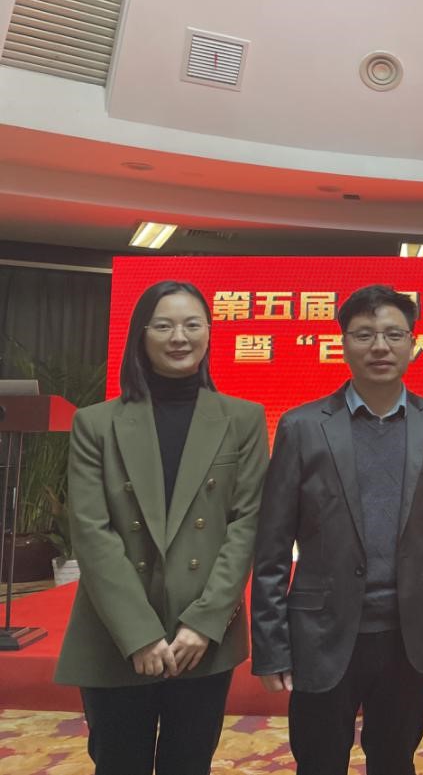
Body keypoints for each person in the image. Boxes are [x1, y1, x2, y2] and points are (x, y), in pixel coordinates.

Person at [250, 284, 423, 775]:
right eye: (364, 334)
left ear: (412, 343)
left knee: (394, 759)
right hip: (321, 632)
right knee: (319, 761)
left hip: (407, 634)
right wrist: (270, 645)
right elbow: (272, 548)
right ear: (343, 343)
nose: (380, 346)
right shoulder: (302, 426)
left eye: (393, 334)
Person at [54, 280, 269, 775]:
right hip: (117, 631)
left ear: (209, 332)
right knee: (118, 761)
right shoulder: (96, 423)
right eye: (164, 326)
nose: (179, 337)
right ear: (141, 335)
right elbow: (92, 532)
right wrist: (139, 635)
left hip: (201, 637)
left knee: (189, 762)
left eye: (192, 325)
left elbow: (245, 525)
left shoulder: (243, 419)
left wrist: (204, 623)